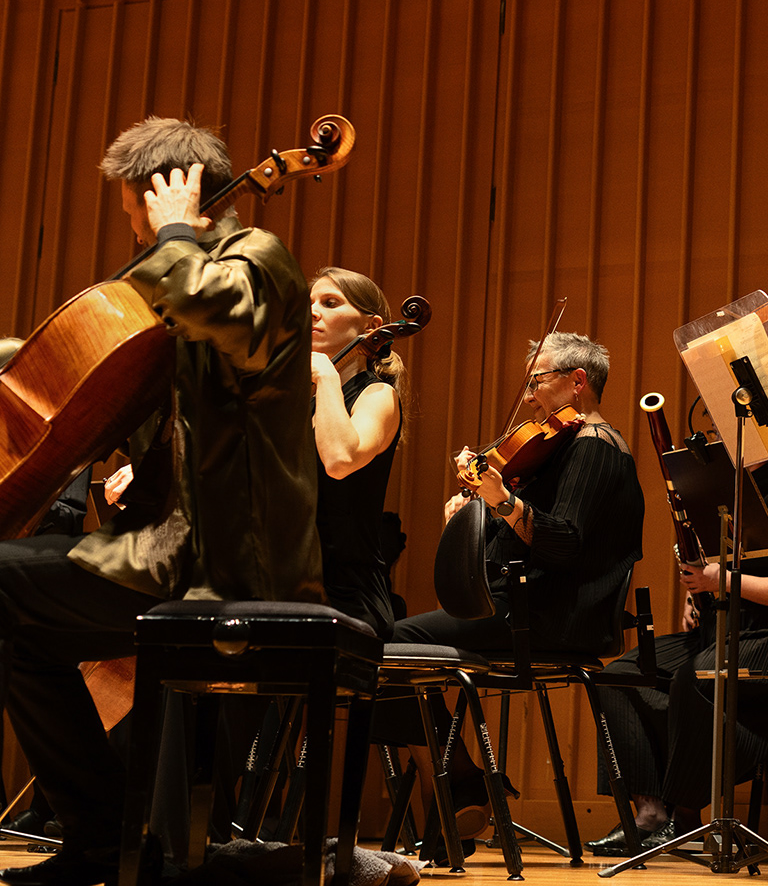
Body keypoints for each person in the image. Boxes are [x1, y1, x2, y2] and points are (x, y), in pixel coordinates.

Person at [0, 118, 322, 886]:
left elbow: (228, 320)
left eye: (134, 211)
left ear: (163, 195)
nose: (134, 230)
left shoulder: (258, 259)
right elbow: (83, 371)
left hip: (223, 564)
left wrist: (175, 234)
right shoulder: (174, 284)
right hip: (165, 552)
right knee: (18, 636)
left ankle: (103, 834)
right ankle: (103, 840)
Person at [383, 332, 645, 830]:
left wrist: (501, 501)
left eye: (535, 382)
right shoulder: (557, 449)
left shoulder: (596, 449)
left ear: (577, 381)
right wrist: (474, 515)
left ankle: (461, 781)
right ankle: (459, 784)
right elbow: (514, 543)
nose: (527, 398)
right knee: (392, 650)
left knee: (393, 645)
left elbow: (564, 544)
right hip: (526, 604)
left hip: (555, 614)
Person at [586, 445, 768, 857]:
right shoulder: (720, 499)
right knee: (620, 676)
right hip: (719, 635)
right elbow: (709, 565)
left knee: (693, 678)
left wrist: (721, 580)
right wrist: (695, 591)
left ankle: (685, 816)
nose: (717, 441)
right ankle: (649, 813)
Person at [308, 267, 405, 639]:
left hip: (347, 598)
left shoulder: (377, 395)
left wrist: (326, 376)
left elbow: (340, 461)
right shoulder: (303, 403)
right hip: (293, 585)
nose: (313, 312)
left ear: (371, 326)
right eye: (309, 303)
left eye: (330, 303)